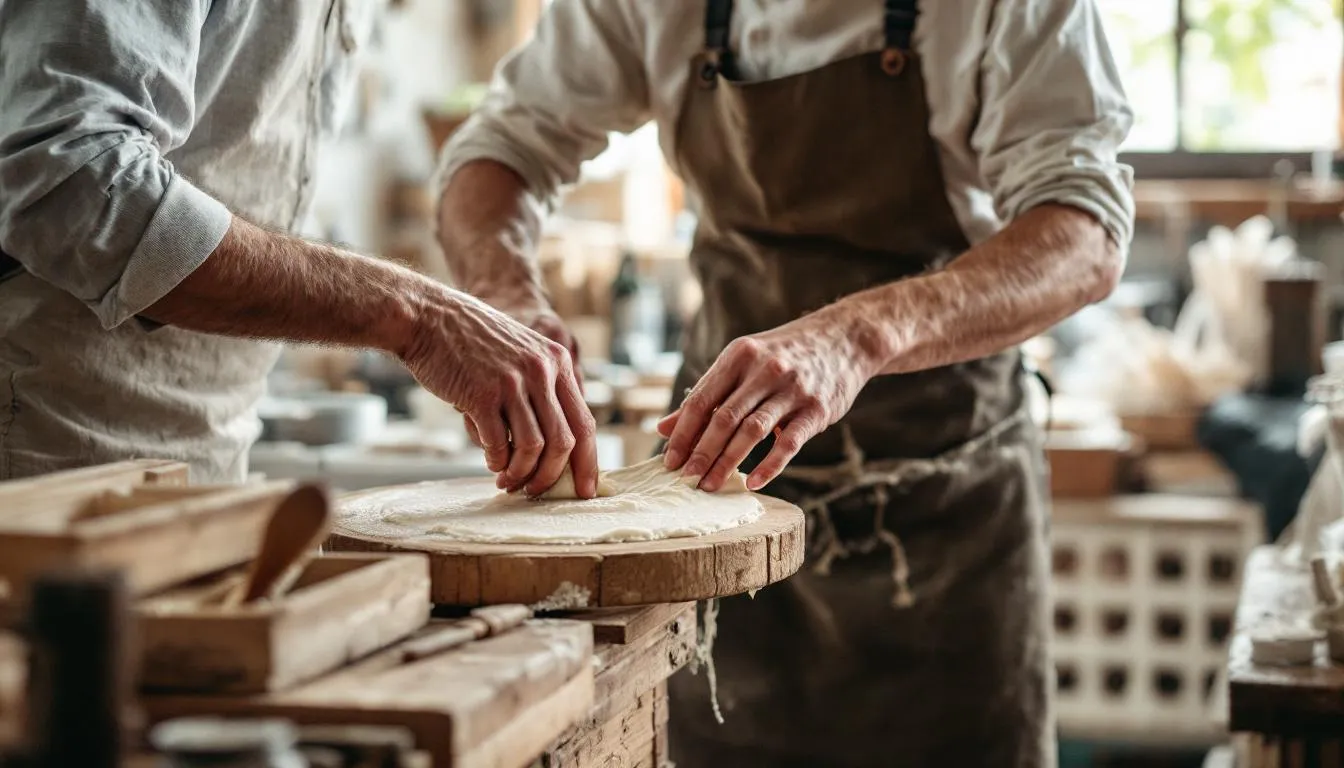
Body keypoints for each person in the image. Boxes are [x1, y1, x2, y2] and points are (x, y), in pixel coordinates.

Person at [436, 0, 1134, 765]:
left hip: (944, 518)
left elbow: (1083, 231)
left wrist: (857, 335)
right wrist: (501, 297)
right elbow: (500, 149)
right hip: (710, 501)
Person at [0, 0, 599, 497]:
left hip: (213, 450)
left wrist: (484, 305)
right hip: (45, 449)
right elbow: (73, 181)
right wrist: (420, 317)